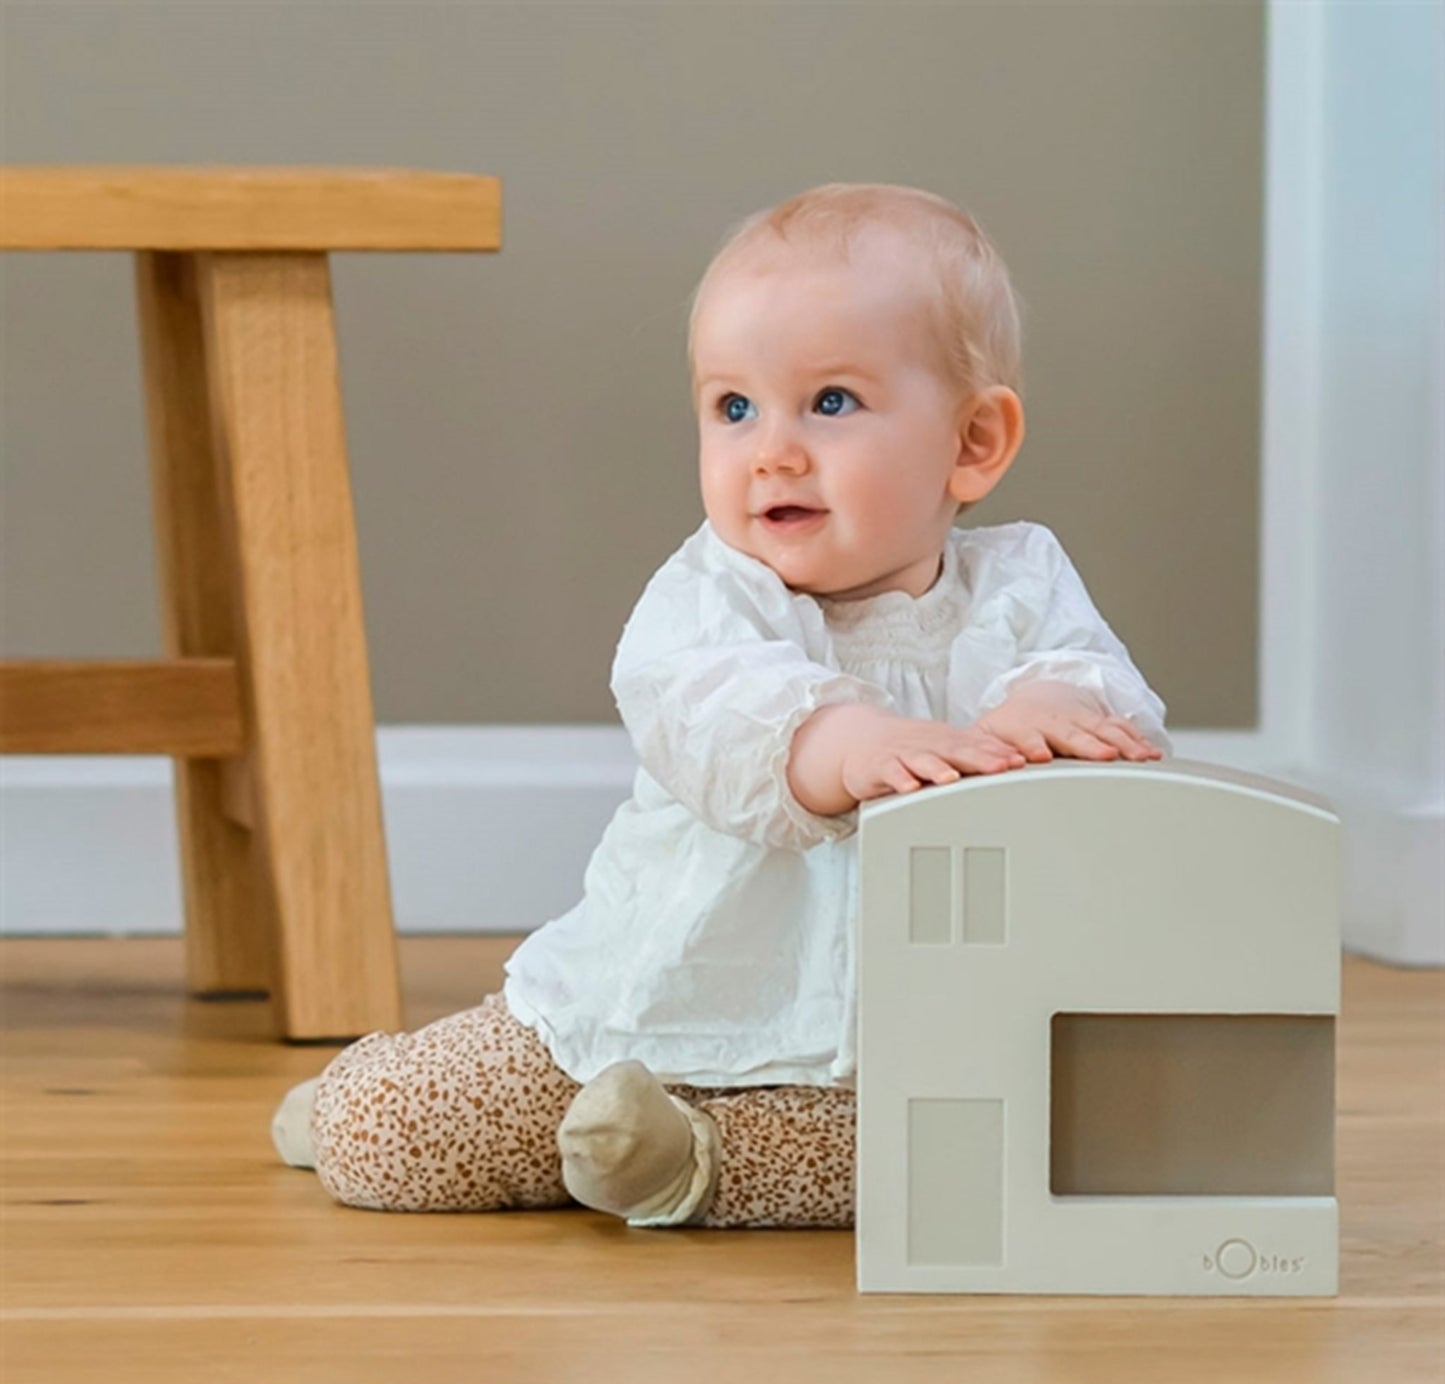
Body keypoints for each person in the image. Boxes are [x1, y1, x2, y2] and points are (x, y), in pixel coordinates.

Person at [270, 182, 1169, 1229]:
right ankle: (359, 1105)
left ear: (971, 441)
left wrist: (1052, 706)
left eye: (829, 402)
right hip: (651, 1007)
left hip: (886, 1046)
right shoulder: (712, 592)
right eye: (733, 408)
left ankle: (687, 1164)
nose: (770, 450)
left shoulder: (1017, 583)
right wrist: (842, 741)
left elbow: (1098, 685)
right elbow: (708, 706)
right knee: (395, 1134)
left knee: (969, 1148)